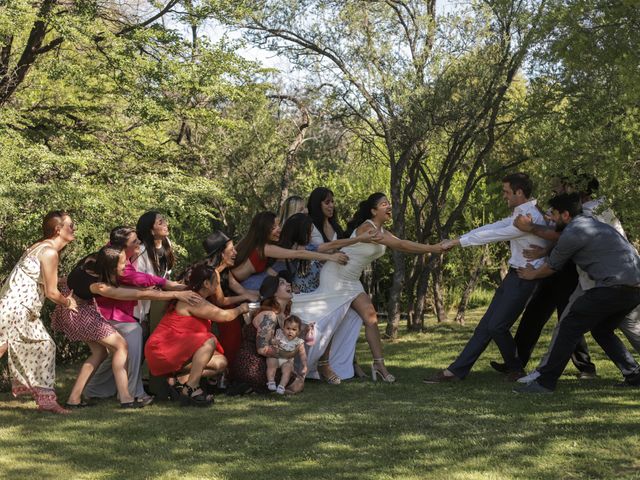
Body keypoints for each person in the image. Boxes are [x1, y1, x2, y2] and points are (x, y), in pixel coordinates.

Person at [293, 192, 443, 383]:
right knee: (331, 318)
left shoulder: (382, 231)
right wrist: (434, 248)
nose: (389, 207)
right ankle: (318, 363)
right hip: (336, 275)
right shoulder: (367, 228)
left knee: (371, 318)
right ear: (373, 211)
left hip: (352, 280)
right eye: (384, 204)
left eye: (389, 204)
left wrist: (433, 248)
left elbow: (402, 244)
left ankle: (379, 365)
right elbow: (403, 245)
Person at [425, 173, 549, 383]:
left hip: (525, 278)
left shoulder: (530, 217)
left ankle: (516, 369)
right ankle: (456, 371)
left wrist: (456, 243)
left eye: (506, 192)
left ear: (519, 192)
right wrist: (458, 239)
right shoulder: (521, 212)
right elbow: (495, 226)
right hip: (514, 275)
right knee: (485, 327)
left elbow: (496, 235)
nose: (504, 196)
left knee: (496, 326)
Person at [513, 193, 640, 393]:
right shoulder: (593, 224)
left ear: (565, 215)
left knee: (569, 325)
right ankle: (633, 374)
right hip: (634, 288)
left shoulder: (573, 231)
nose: (550, 218)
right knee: (601, 329)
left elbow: (552, 267)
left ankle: (545, 382)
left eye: (553, 214)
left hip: (612, 288)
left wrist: (532, 274)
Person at [51, 246, 200, 408]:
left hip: (74, 307)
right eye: (122, 264)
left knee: (99, 353)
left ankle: (74, 399)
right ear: (110, 267)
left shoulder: (94, 260)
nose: (126, 267)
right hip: (78, 312)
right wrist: (176, 293)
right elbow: (138, 295)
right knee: (120, 346)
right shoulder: (99, 286)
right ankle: (126, 398)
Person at [489, 176, 597, 378]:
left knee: (567, 318)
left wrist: (534, 231)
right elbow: (551, 229)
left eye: (560, 187)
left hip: (568, 271)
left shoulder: (592, 211)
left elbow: (563, 236)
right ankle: (516, 362)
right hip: (551, 268)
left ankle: (585, 366)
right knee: (533, 315)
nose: (557, 190)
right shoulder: (559, 207)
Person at [85, 227, 196, 403]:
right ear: (121, 246)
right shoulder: (116, 261)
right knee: (133, 337)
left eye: (138, 239)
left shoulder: (119, 254)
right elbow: (140, 282)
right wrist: (173, 288)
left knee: (122, 349)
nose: (139, 244)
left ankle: (96, 389)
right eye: (134, 242)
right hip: (110, 313)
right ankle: (134, 392)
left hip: (117, 311)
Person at [0, 211, 78, 414]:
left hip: (21, 310)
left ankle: (46, 400)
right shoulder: (49, 252)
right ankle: (47, 401)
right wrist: (67, 302)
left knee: (45, 345)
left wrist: (60, 281)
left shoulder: (41, 247)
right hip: (17, 310)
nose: (73, 229)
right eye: (70, 225)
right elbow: (52, 293)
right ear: (58, 230)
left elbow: (38, 278)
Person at [145, 263, 249, 406]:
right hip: (162, 349)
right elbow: (224, 316)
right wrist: (241, 309)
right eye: (216, 282)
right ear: (206, 283)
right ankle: (191, 387)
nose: (219, 284)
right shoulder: (193, 299)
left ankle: (181, 381)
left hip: (174, 350)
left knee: (221, 363)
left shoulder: (194, 296)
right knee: (209, 340)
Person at [231, 211, 349, 291]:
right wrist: (332, 257)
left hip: (247, 284)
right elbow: (299, 253)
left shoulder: (264, 244)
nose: (279, 229)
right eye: (273, 228)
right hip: (239, 286)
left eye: (278, 225)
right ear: (263, 231)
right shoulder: (264, 248)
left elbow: (321, 247)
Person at [230, 274, 304, 394]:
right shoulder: (269, 316)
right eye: (282, 283)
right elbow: (262, 348)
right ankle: (254, 387)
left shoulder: (284, 317)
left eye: (287, 282)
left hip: (265, 362)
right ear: (274, 293)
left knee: (296, 380)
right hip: (251, 364)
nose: (288, 284)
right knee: (297, 384)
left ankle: (256, 389)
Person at [133, 211, 176, 341]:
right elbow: (137, 279)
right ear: (151, 231)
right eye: (160, 222)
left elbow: (167, 273)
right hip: (145, 303)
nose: (165, 224)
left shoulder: (167, 242)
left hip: (161, 298)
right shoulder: (141, 251)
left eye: (164, 220)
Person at [266, 315, 307, 394]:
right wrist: (274, 341)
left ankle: (281, 386)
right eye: (288, 328)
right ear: (283, 328)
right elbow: (270, 341)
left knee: (287, 370)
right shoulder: (279, 334)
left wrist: (305, 366)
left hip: (287, 361)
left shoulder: (299, 342)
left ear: (298, 332)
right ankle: (271, 381)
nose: (290, 331)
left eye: (294, 329)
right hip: (276, 357)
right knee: (271, 361)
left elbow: (303, 355)